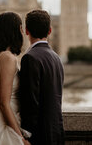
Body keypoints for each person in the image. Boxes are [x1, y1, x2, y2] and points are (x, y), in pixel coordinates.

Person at [0, 12, 31, 145]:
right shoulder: (8, 58)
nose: (23, 33)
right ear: (17, 29)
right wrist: (20, 137)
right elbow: (4, 103)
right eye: (21, 28)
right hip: (5, 125)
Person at [19, 10, 65, 145]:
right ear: (49, 31)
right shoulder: (57, 58)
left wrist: (26, 136)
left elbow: (30, 102)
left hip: (39, 136)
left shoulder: (29, 58)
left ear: (26, 31)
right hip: (57, 133)